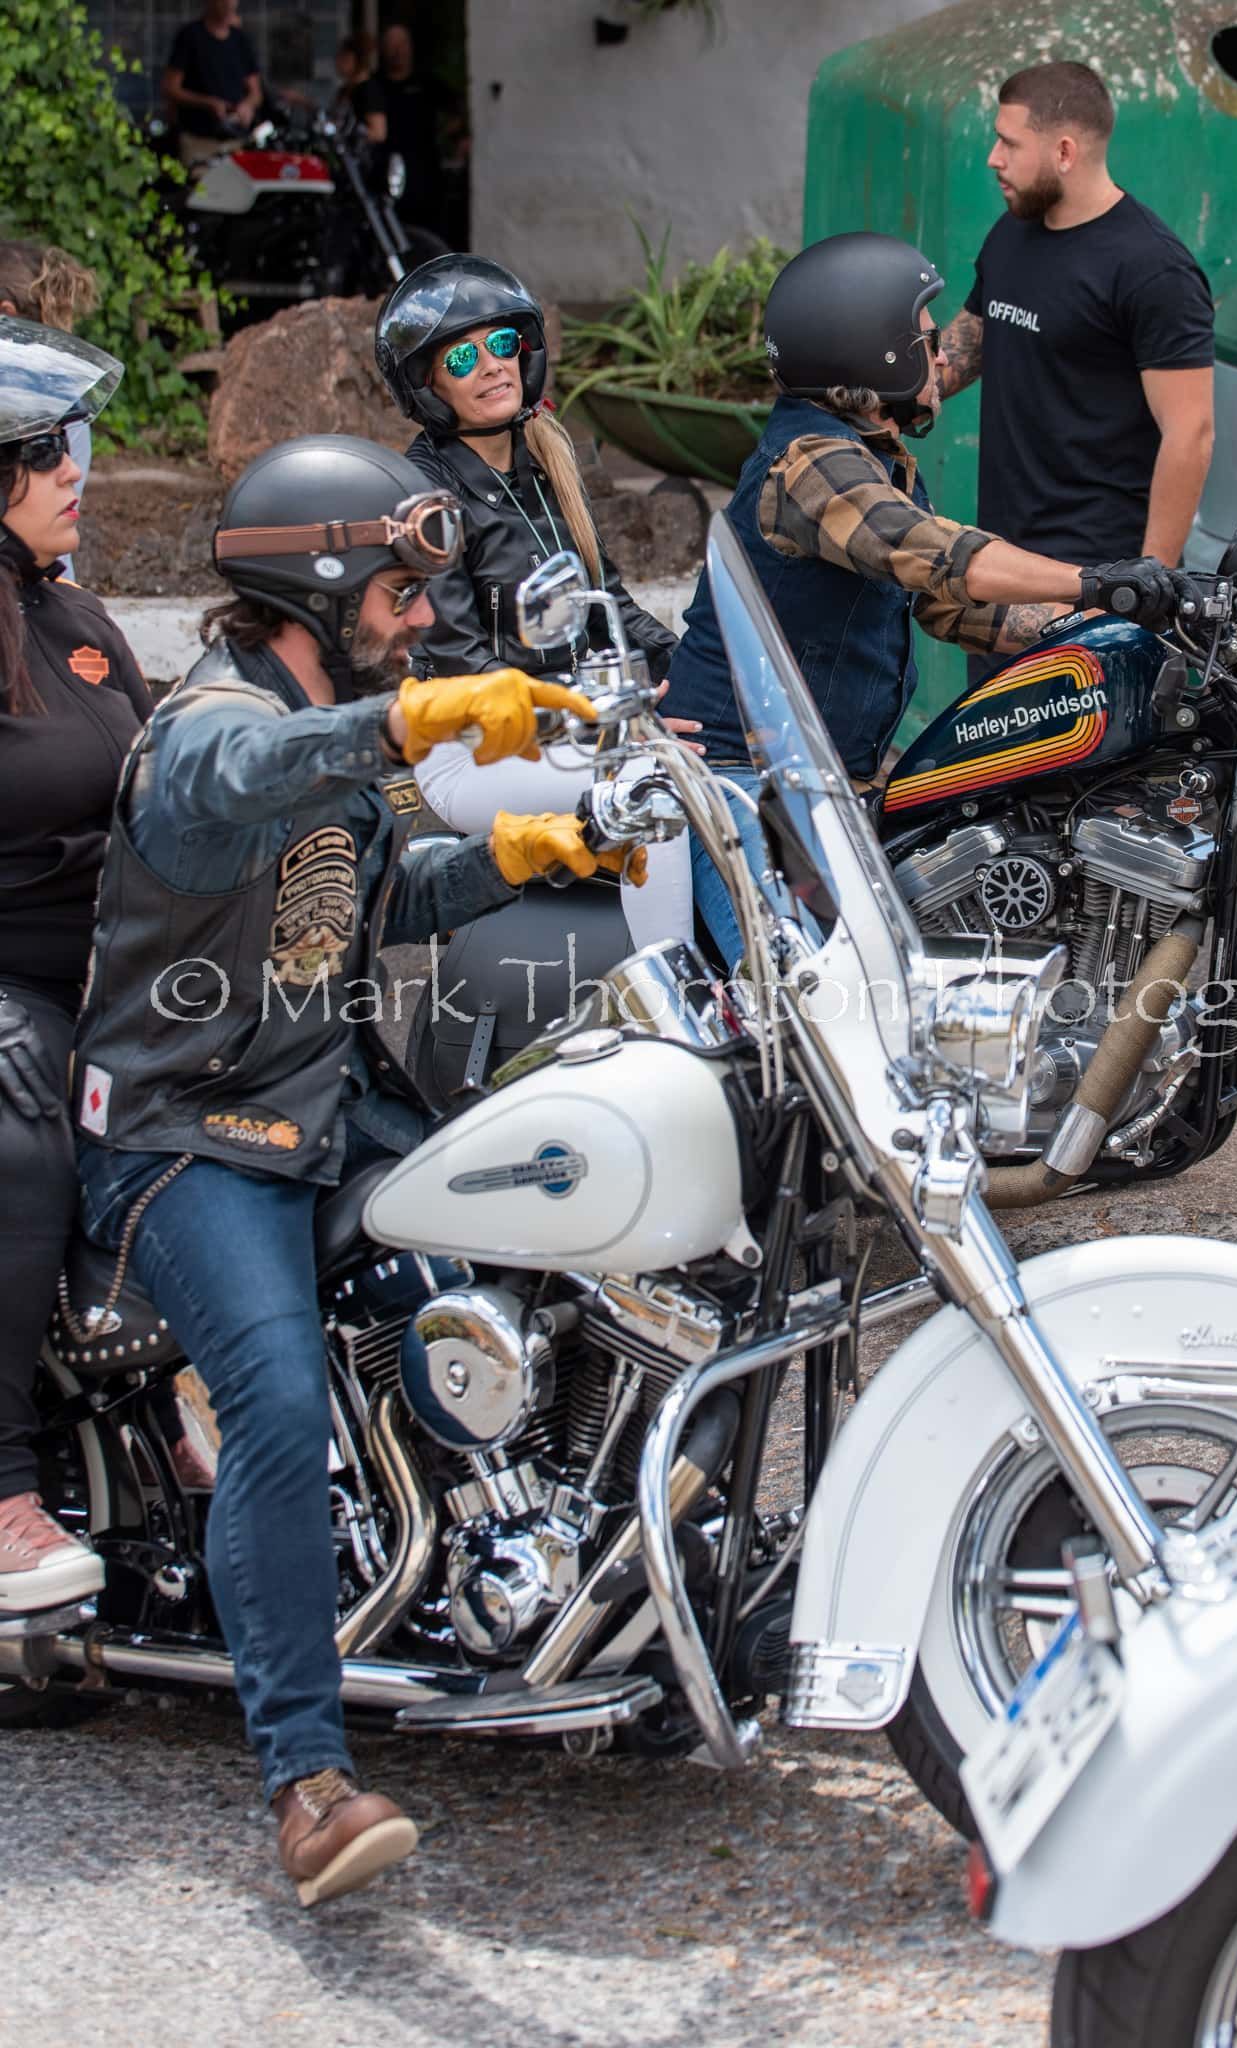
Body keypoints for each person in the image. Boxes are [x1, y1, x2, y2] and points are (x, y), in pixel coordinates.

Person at [73, 433, 642, 1905]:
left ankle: (548, 1579)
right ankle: (307, 1784)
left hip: (314, 1107)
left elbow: (379, 889)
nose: (414, 620)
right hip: (185, 1135)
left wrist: (553, 841)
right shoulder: (209, 726)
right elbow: (256, 776)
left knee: (555, 1214)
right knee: (267, 1397)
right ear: (318, 587)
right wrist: (417, 720)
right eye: (395, 593)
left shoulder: (322, 723)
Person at [661, 230, 1192, 960]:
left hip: (816, 780)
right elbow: (945, 561)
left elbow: (962, 609)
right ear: (871, 352)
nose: (943, 356)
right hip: (738, 783)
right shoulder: (811, 465)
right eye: (925, 340)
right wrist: (1097, 578)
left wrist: (1107, 627)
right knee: (817, 993)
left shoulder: (872, 460)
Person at [376, 255, 695, 949]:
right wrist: (612, 728)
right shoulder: (424, 494)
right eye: (462, 356)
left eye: (502, 343)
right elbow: (465, 669)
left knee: (722, 761)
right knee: (650, 784)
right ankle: (672, 987)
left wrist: (701, 673)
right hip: (473, 748)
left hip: (571, 724)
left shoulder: (545, 461)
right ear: (427, 385)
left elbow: (609, 606)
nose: (491, 365)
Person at [0, 319, 150, 1615]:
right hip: (11, 987)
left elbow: (165, 776)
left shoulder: (78, 618)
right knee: (21, 1123)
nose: (73, 469)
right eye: (42, 451)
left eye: (71, 443)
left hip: (112, 969)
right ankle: (2, 1496)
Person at [939, 61, 1216, 575]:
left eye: (1009, 144)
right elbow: (972, 338)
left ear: (1064, 151)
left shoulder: (1152, 269)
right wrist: (876, 386)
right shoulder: (1012, 232)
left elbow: (1191, 432)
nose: (992, 159)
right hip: (1003, 561)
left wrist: (1146, 581)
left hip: (1096, 575)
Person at [0, 245, 101, 576]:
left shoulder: (59, 412)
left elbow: (52, 539)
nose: (69, 471)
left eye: (48, 450)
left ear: (7, 315)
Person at [163, 0, 264, 167]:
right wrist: (208, 103)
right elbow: (170, 88)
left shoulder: (240, 40)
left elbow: (256, 92)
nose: (229, 5)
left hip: (236, 140)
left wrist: (246, 106)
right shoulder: (190, 36)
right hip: (198, 140)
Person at [378, 25, 449, 233]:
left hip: (425, 172)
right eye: (392, 46)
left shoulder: (427, 84)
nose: (398, 51)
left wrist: (452, 137)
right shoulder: (376, 86)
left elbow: (456, 112)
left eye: (402, 44)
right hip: (387, 173)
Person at [333, 33, 388, 148]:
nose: (337, 62)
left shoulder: (369, 90)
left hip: (361, 159)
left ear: (355, 59)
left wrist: (352, 130)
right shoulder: (344, 90)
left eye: (343, 57)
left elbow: (379, 133)